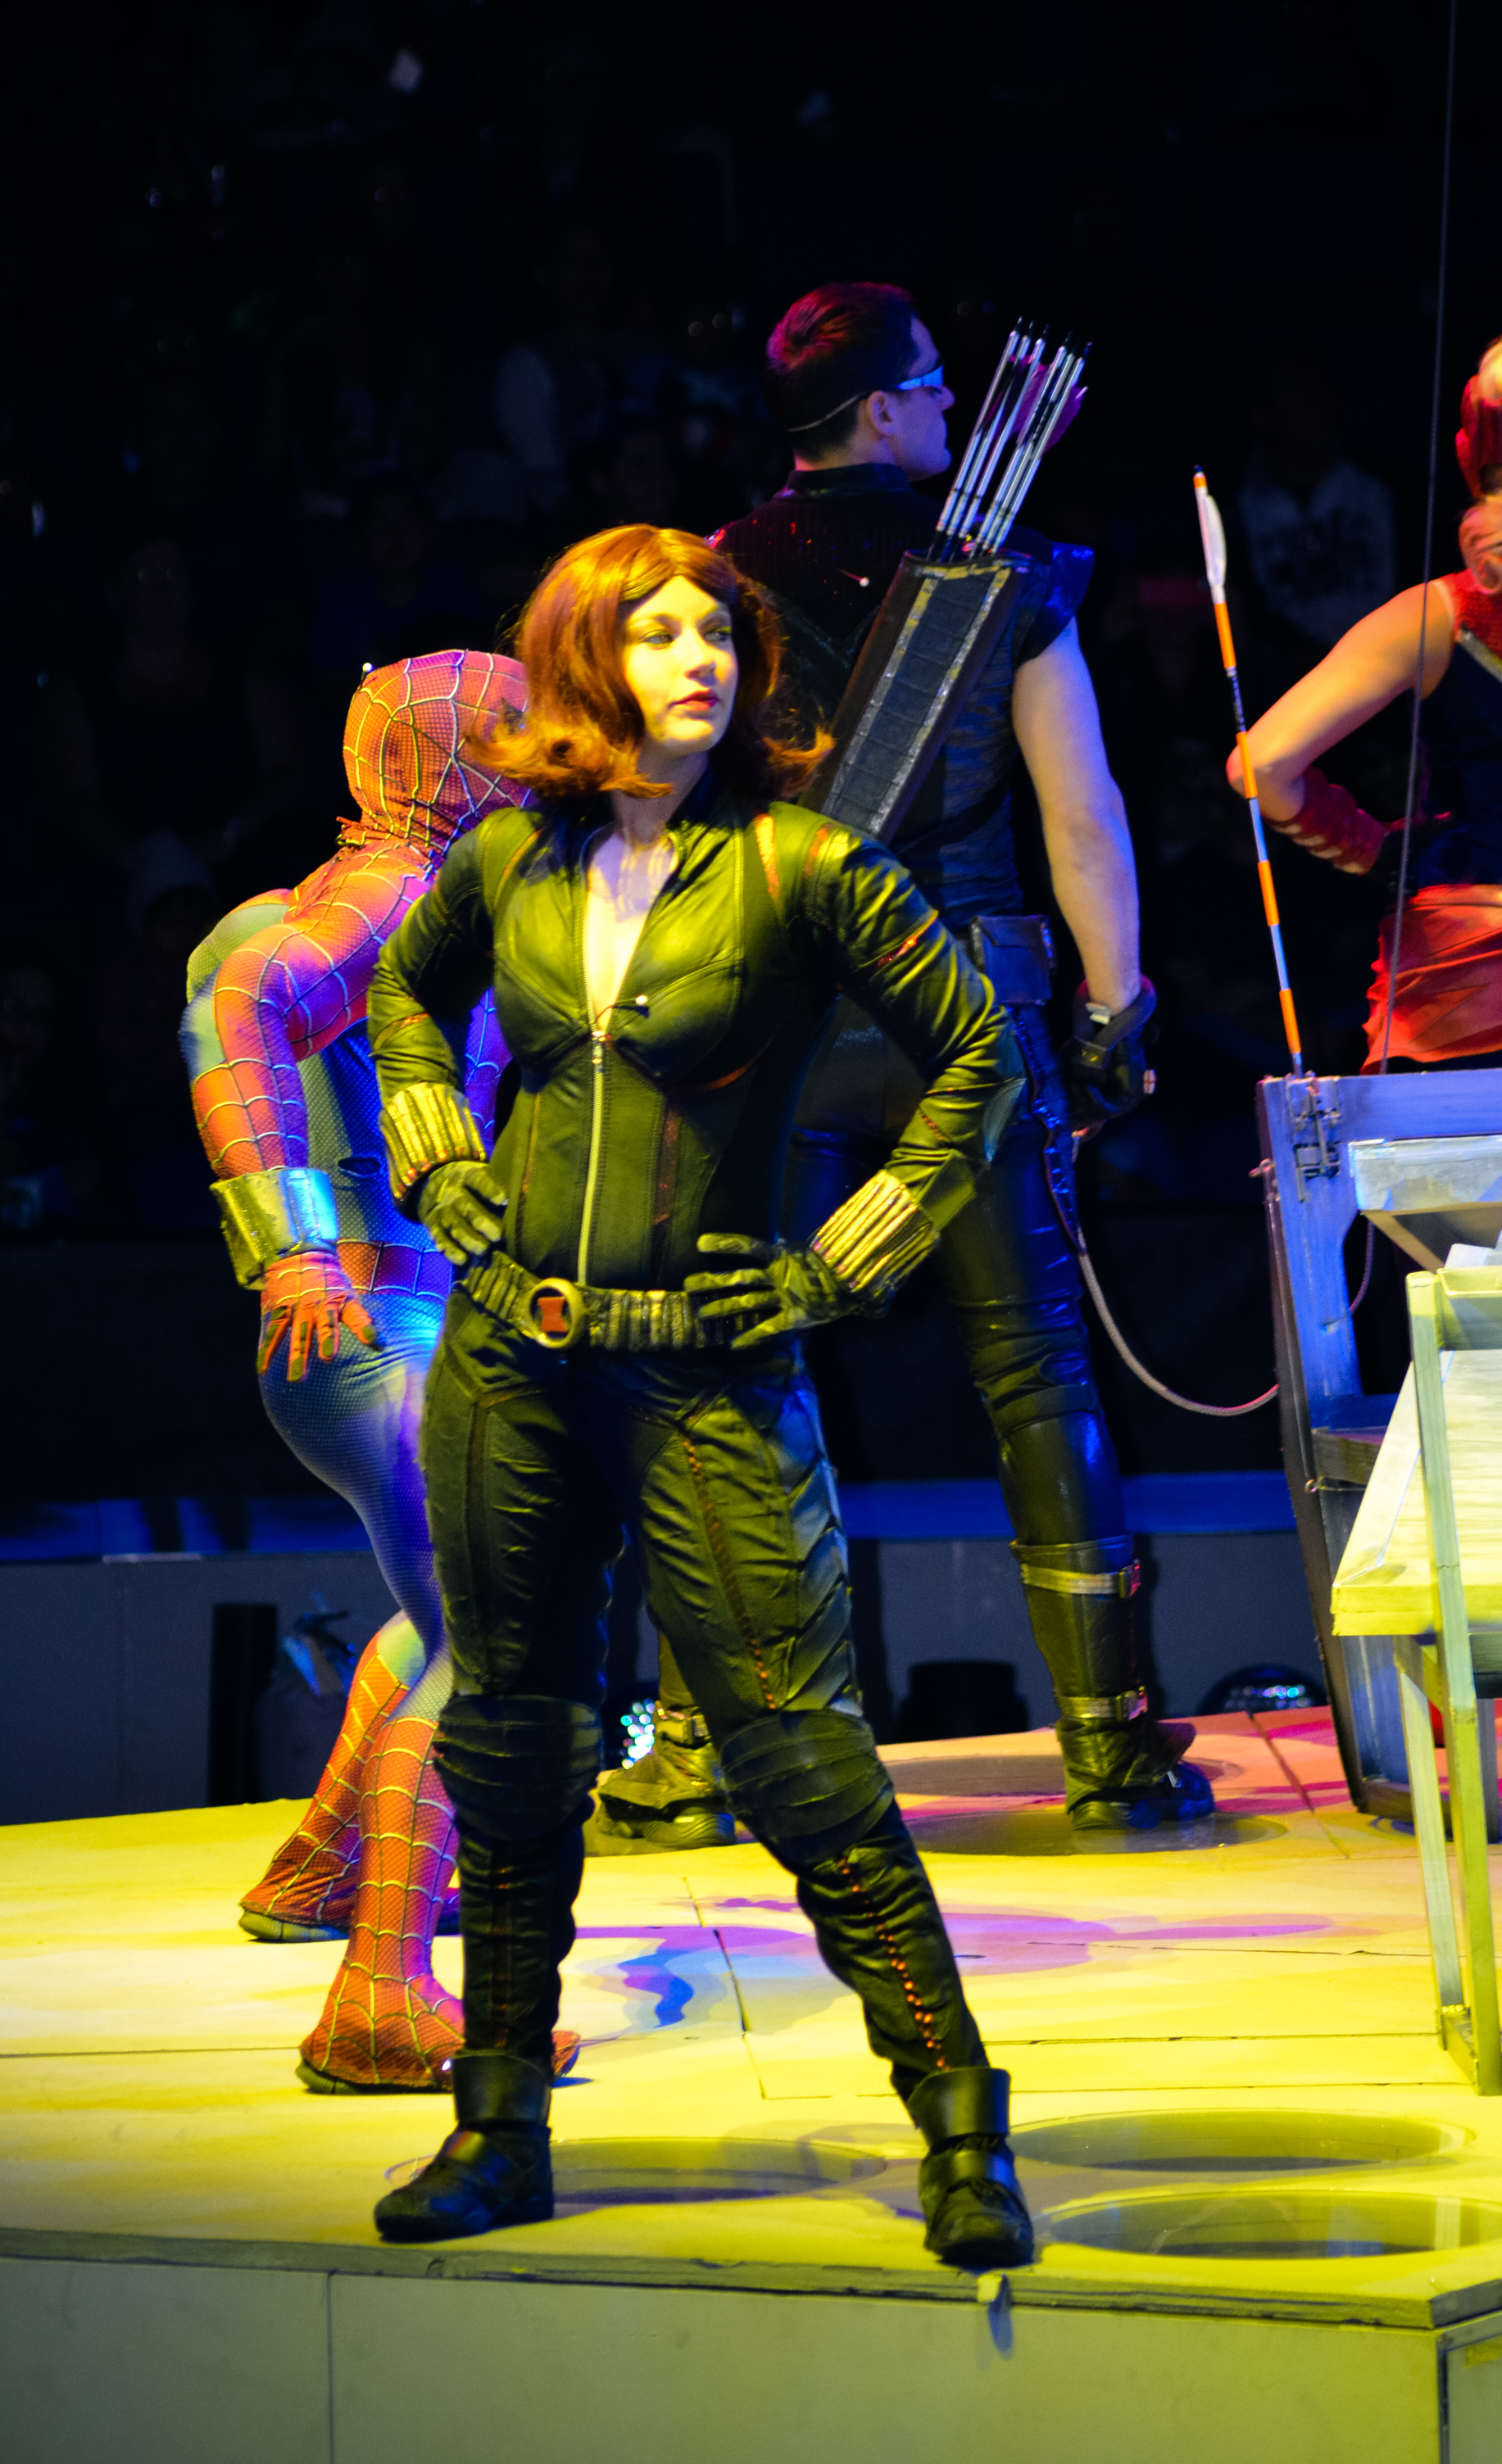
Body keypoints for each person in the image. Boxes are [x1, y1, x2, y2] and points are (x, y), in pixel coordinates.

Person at [367, 523, 1035, 2270]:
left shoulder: (806, 863)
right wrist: (433, 1153)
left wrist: (837, 1263)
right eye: (659, 633)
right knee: (513, 1741)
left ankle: (963, 2126)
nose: (702, 659)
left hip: (711, 1367)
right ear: (585, 662)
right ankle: (496, 2124)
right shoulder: (509, 857)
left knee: (801, 1758)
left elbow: (981, 1048)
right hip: (512, 1357)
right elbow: (403, 997)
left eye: (718, 633)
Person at [594, 281, 1212, 1848]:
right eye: (932, 384)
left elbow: (662, 809)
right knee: (1038, 1377)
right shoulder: (1003, 576)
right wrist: (1112, 1014)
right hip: (972, 1015)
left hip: (780, 1016)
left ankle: (699, 1751)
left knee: (729, 1372)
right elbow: (1080, 818)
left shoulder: (709, 579)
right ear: (878, 409)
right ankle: (1110, 1751)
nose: (950, 405)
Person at [182, 648, 574, 2093]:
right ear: (450, 761)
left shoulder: (393, 892)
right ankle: (379, 1997)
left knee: (447, 1611)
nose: (545, 757)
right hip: (371, 1326)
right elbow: (238, 1006)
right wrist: (286, 1244)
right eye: (516, 735)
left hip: (389, 1325)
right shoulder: (392, 891)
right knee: (491, 1634)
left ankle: (319, 1871)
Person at [1230, 321, 1502, 1068]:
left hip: (1469, 997)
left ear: (1474, 450)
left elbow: (1262, 766)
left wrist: (1371, 849)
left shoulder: (1438, 614)